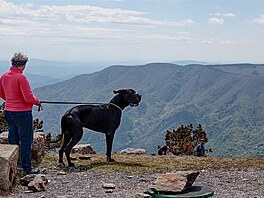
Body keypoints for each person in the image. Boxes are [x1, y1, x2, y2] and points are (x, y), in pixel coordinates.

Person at [0, 52, 41, 174]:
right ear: (22, 64)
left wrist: (11, 100)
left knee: (13, 138)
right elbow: (28, 98)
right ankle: (27, 168)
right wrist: (37, 101)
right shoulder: (21, 78)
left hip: (8, 111)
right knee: (26, 140)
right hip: (22, 113)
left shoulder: (4, 76)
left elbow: (1, 93)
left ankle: (13, 165)